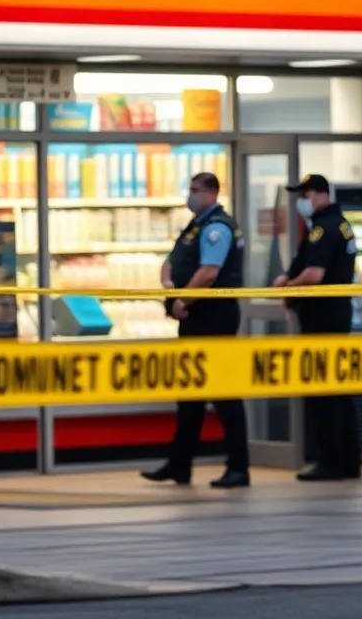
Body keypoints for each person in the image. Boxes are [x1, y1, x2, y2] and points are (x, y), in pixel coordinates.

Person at [142, 173, 251, 489]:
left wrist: (181, 300)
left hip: (213, 319)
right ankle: (179, 464)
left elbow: (209, 272)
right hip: (195, 319)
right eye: (189, 189)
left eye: (195, 191)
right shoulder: (196, 224)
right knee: (190, 393)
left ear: (213, 192)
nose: (189, 195)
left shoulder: (218, 226)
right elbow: (171, 261)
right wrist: (167, 283)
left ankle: (238, 467)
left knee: (224, 394)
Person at [273, 174, 361, 482]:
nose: (301, 201)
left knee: (323, 390)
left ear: (321, 195)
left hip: (323, 317)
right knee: (339, 390)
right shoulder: (339, 224)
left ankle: (331, 462)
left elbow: (314, 274)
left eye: (305, 194)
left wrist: (289, 288)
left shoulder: (324, 228)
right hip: (336, 315)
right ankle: (349, 462)